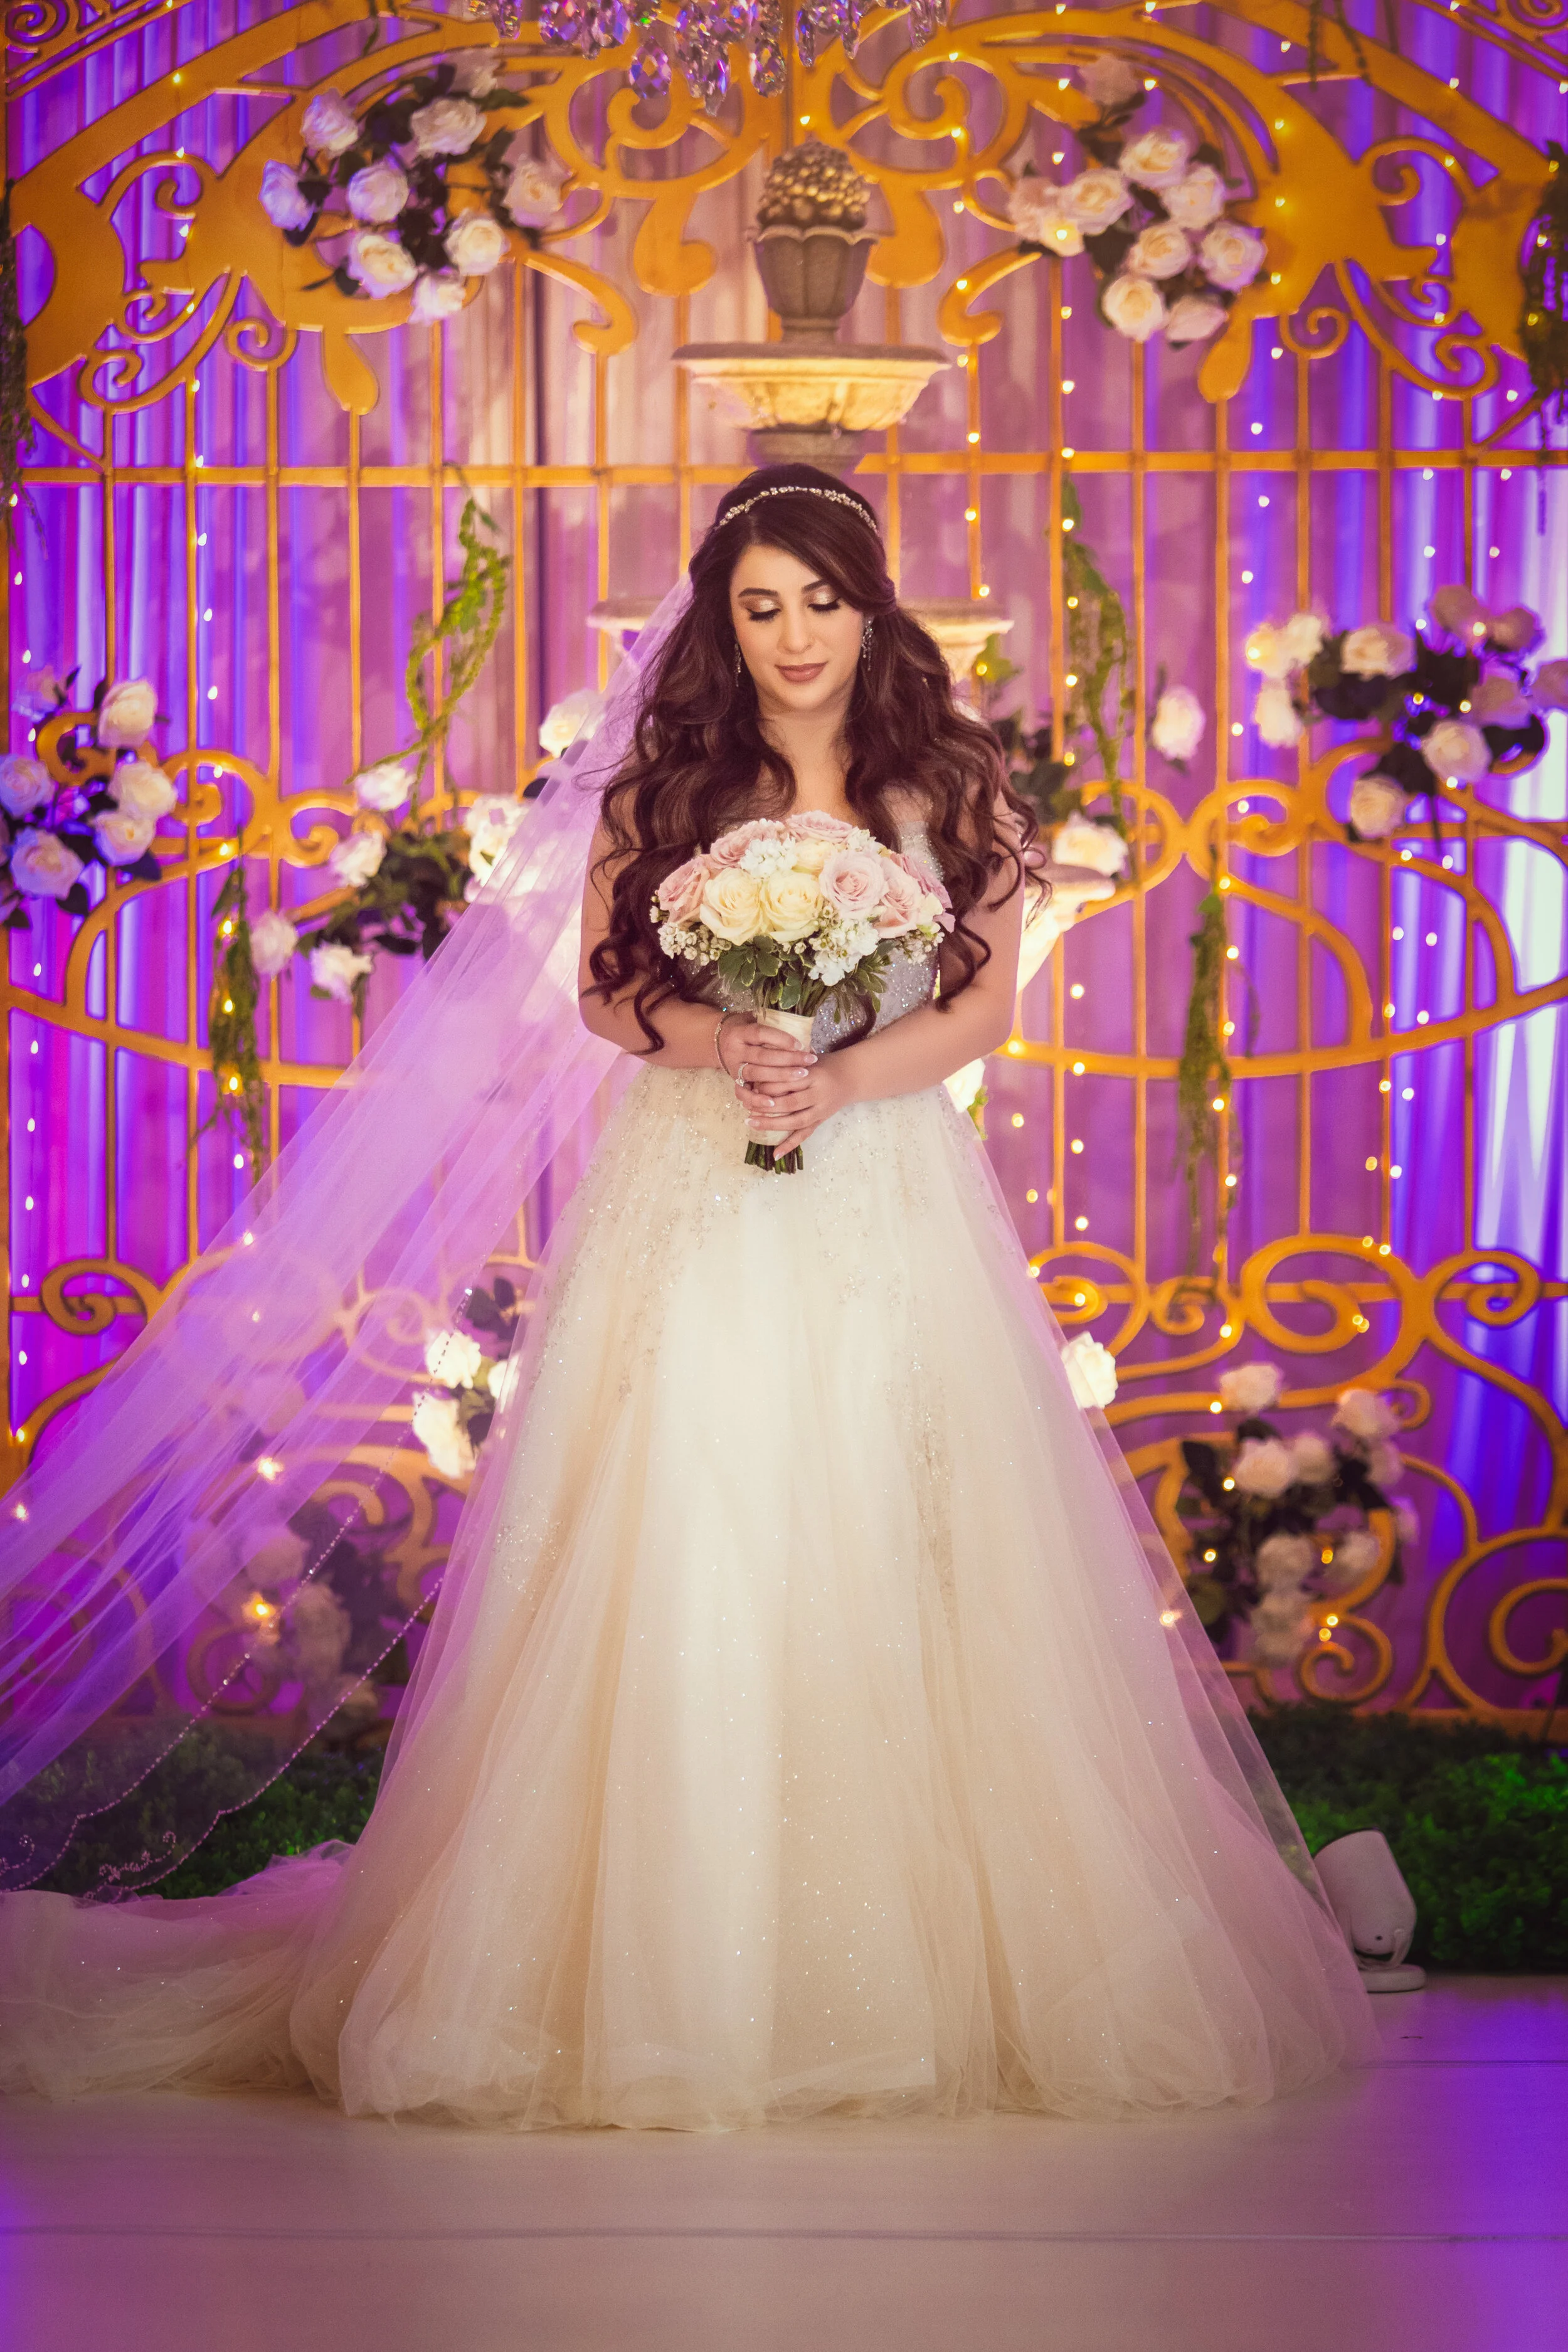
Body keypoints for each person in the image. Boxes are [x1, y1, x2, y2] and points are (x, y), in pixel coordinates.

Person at [0, 467, 1374, 2126]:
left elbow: (984, 1008)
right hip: (691, 1189)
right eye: (759, 606)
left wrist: (847, 1076)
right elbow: (597, 992)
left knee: (892, 1525)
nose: (792, 635)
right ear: (724, 627)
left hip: (880, 1191)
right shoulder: (672, 781)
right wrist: (721, 1040)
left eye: (819, 599)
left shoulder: (949, 778)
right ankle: (661, 1968)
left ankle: (897, 1965)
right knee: (684, 1518)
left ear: (875, 606)